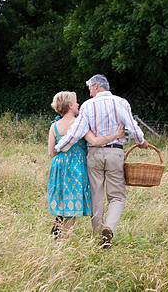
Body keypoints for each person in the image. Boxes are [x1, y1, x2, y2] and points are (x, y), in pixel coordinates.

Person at [54, 75, 148, 248]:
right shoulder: (121, 102)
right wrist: (141, 142)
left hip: (94, 154)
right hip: (115, 153)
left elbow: (76, 132)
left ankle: (98, 235)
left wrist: (60, 147)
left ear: (96, 86)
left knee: (96, 196)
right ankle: (109, 230)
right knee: (117, 196)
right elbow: (133, 126)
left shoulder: (88, 106)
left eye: (90, 88)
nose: (90, 93)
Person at [47, 91, 124, 239]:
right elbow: (94, 141)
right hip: (75, 167)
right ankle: (64, 238)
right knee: (72, 201)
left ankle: (58, 223)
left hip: (58, 165)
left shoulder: (54, 126)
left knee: (62, 196)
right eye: (76, 102)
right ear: (70, 106)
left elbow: (52, 152)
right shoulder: (79, 124)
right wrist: (115, 136)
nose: (78, 104)